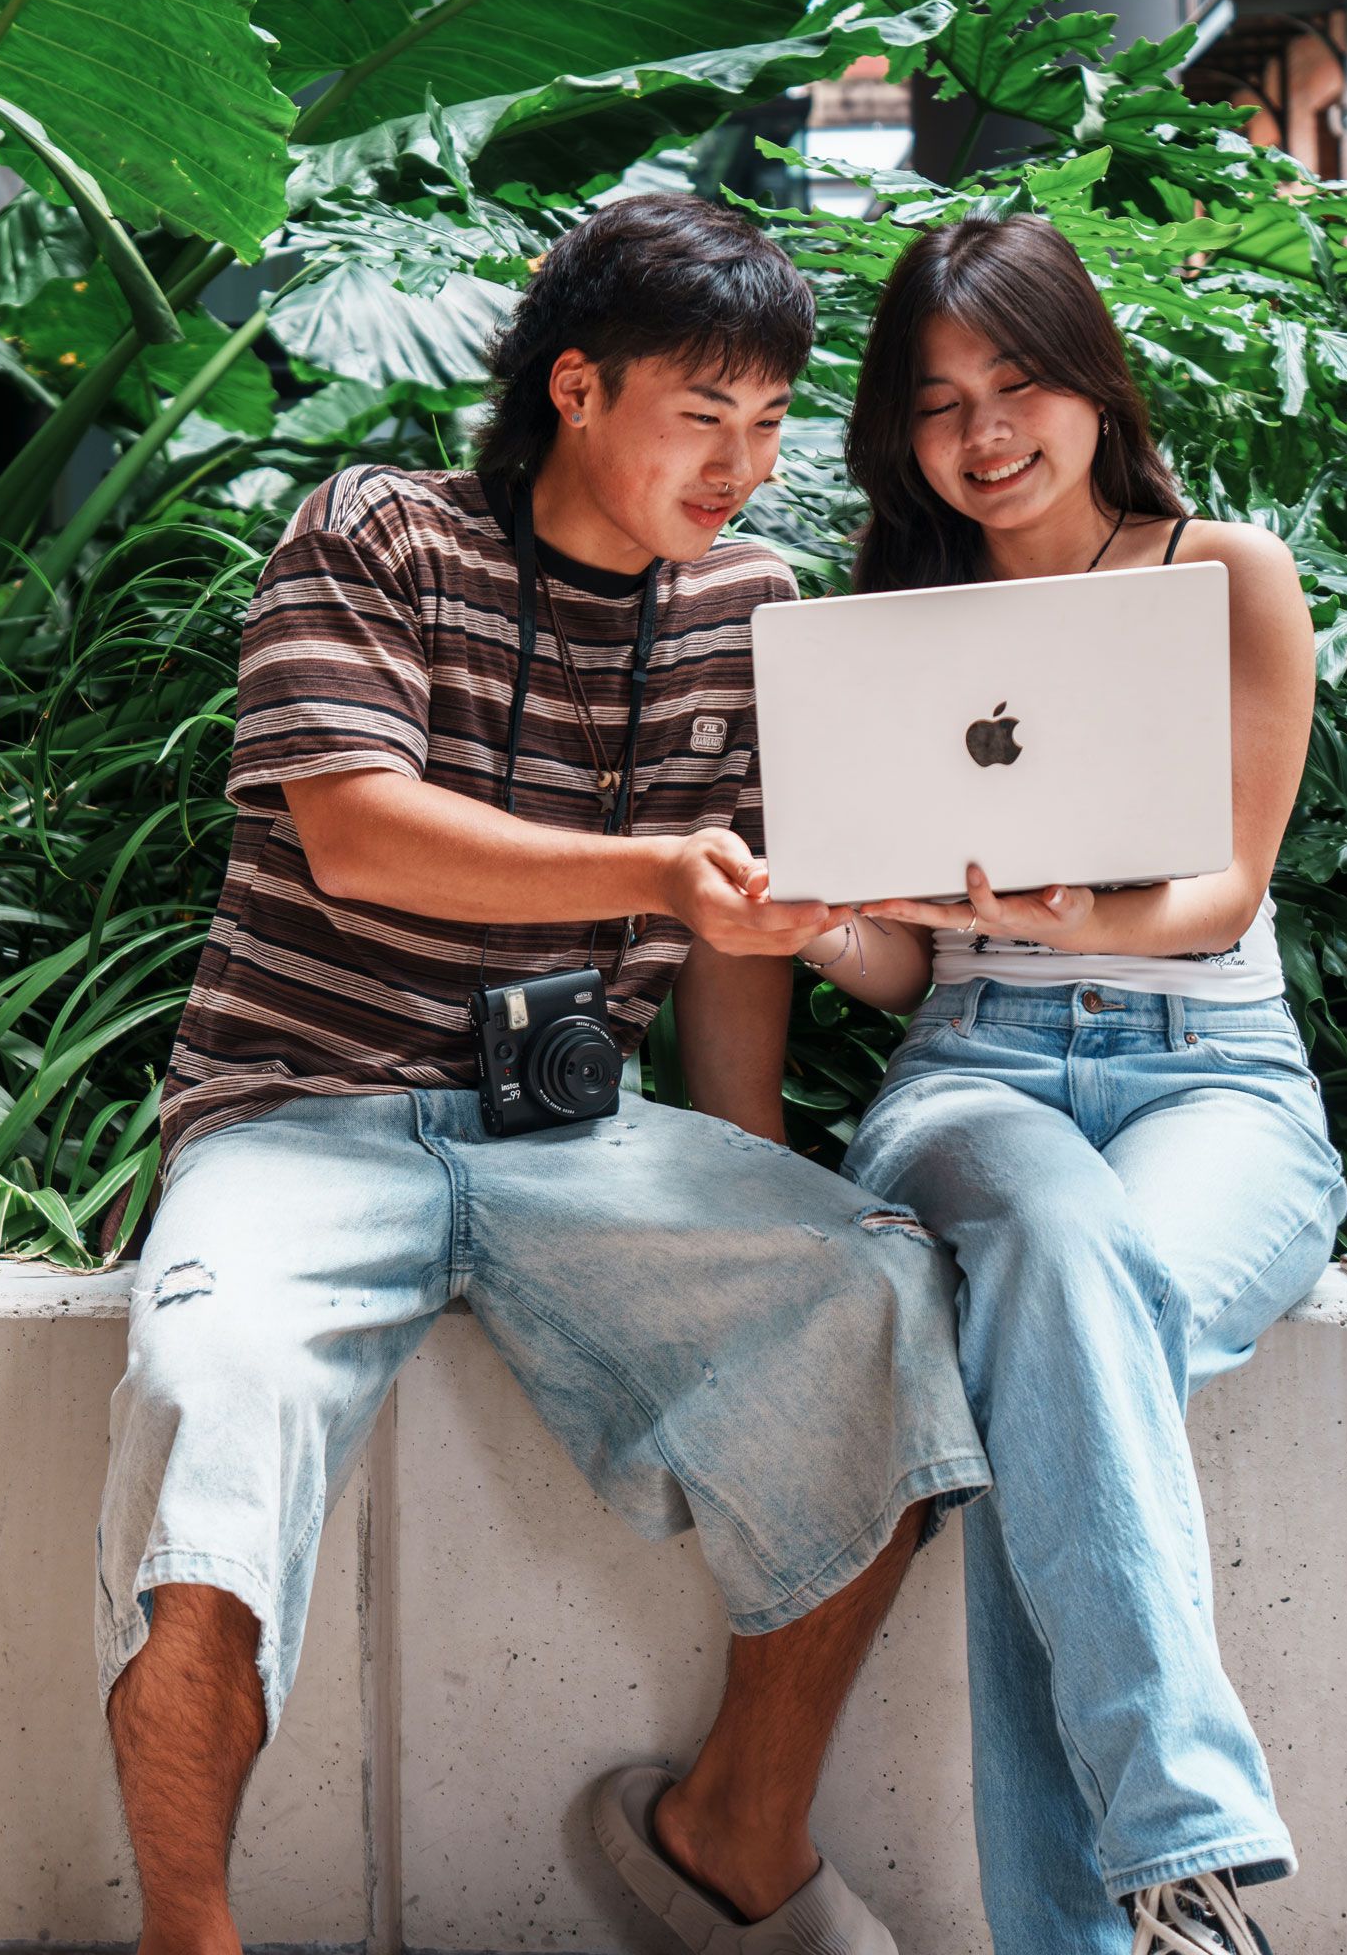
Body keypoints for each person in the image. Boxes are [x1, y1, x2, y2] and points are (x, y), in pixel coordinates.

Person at [93, 192, 989, 1955]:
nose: (742, 462)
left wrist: (752, 1183)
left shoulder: (755, 602)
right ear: (576, 386)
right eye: (700, 412)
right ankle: (188, 1936)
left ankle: (736, 1824)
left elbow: (743, 935)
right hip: (301, 1111)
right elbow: (357, 836)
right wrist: (658, 866)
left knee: (878, 1287)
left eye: (770, 420)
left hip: (576, 1135)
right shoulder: (380, 534)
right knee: (214, 1402)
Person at [791, 214, 1347, 1955]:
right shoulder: (893, 624)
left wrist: (1076, 909)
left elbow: (1224, 894)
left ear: (1092, 383)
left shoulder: (1226, 570)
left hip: (1220, 1083)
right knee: (1051, 1257)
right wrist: (822, 923)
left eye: (1017, 382)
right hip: (980, 1080)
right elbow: (904, 961)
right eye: (942, 401)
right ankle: (1179, 1832)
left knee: (1067, 1340)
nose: (985, 433)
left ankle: (1113, 1915)